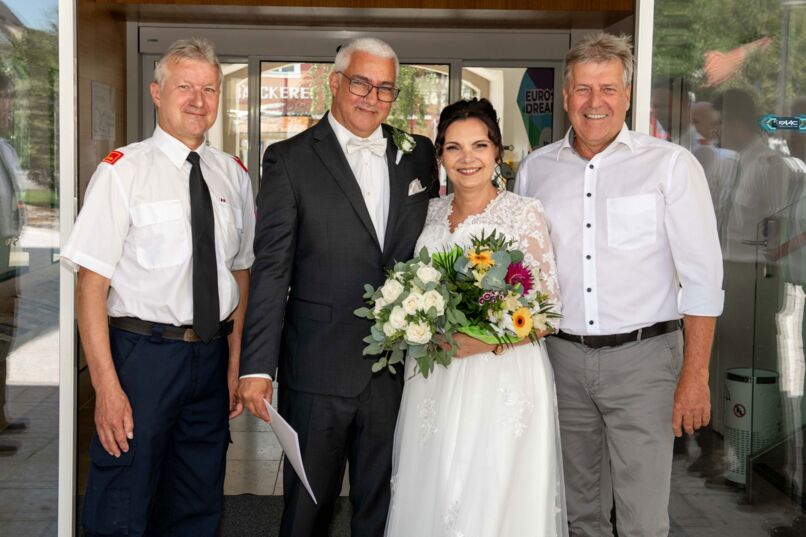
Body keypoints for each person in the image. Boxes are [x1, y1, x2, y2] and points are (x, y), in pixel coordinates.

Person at [516, 33, 724, 537]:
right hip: (560, 360)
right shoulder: (534, 171)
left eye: (607, 89)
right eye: (583, 90)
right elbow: (523, 273)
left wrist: (695, 376)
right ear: (565, 96)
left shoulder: (671, 166)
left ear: (627, 95)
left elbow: (703, 279)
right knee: (576, 509)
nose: (595, 102)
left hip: (645, 362)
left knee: (642, 517)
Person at [237, 37, 438, 537]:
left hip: (396, 370)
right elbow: (271, 269)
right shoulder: (289, 159)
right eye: (361, 83)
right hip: (317, 371)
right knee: (308, 509)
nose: (372, 97)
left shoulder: (418, 156)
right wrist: (257, 366)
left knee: (384, 506)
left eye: (385, 88)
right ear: (335, 82)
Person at [62, 38, 255, 536]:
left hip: (210, 358)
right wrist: (106, 386)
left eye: (209, 88)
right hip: (141, 358)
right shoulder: (123, 172)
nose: (198, 99)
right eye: (185, 87)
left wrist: (235, 363)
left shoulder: (232, 175)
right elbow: (91, 284)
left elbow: (239, 272)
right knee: (123, 499)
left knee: (198, 498)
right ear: (156, 92)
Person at [384, 97, 566, 536]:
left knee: (493, 487)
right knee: (437, 481)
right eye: (453, 148)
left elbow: (549, 310)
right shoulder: (426, 214)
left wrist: (480, 341)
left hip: (502, 374)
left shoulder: (524, 213)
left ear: (496, 151)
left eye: (479, 146)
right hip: (436, 374)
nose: (467, 159)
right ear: (440, 156)